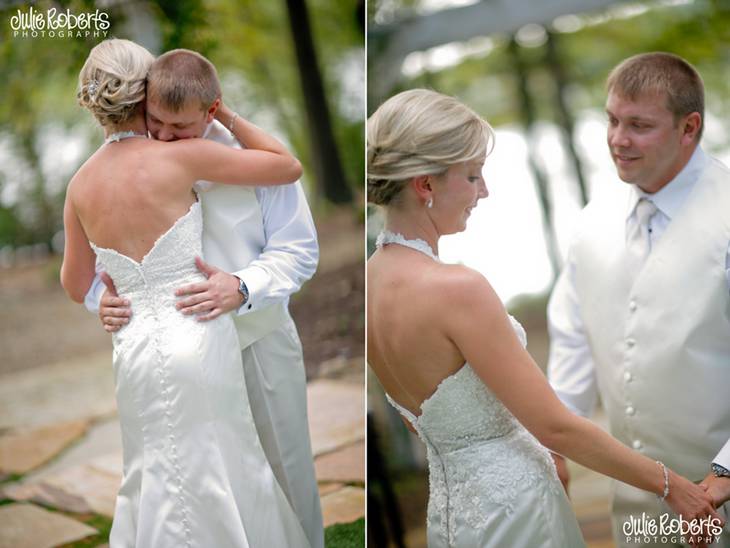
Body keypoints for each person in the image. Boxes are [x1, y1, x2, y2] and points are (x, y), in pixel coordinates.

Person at [366, 88, 722, 548]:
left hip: (452, 521)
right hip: (517, 511)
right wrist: (675, 487)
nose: (484, 191)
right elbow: (555, 427)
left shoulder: (371, 286)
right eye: (473, 176)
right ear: (426, 185)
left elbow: (426, 423)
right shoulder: (455, 288)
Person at [61, 38, 310, 547]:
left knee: (161, 473)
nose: (168, 135)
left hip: (162, 349)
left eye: (178, 124)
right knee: (226, 468)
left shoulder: (80, 185)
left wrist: (105, 299)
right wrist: (105, 298)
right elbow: (287, 164)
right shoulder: (183, 158)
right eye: (159, 120)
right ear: (143, 96)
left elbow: (73, 278)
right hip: (198, 340)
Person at [547, 52, 730, 547]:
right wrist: (555, 444)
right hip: (635, 507)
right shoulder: (590, 222)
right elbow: (573, 340)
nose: (617, 140)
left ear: (688, 128)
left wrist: (725, 475)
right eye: (611, 120)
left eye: (639, 125)